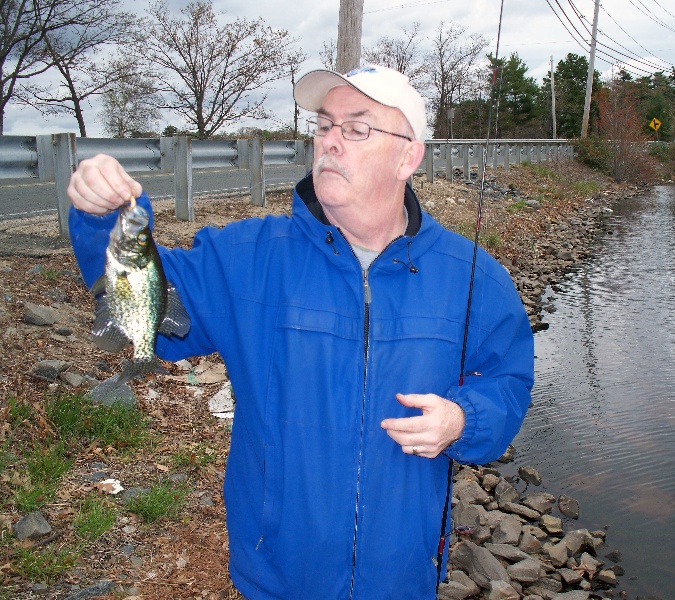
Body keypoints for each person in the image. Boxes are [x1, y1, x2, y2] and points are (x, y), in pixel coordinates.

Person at [67, 64, 534, 599]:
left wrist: (462, 418)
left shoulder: (472, 275)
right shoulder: (247, 258)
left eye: (357, 128)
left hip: (404, 577)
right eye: (324, 125)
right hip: (277, 578)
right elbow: (147, 310)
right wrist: (104, 217)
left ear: (408, 156)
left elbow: (506, 380)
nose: (331, 142)